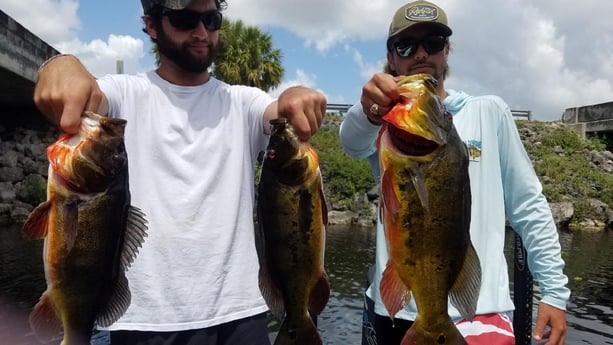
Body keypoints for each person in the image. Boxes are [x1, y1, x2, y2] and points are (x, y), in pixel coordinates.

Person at [33, 0, 326, 344]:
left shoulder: (242, 102)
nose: (201, 32)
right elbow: (88, 93)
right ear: (152, 25)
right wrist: (60, 65)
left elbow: (277, 112)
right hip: (145, 321)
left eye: (211, 19)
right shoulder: (124, 93)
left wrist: (294, 97)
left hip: (240, 312)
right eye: (185, 19)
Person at [339, 1, 570, 345]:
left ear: (447, 50)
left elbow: (528, 205)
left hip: (479, 311)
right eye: (406, 46)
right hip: (394, 311)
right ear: (392, 57)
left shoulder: (489, 111)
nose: (420, 54)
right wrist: (370, 111)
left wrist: (553, 290)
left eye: (432, 43)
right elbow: (350, 141)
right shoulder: (385, 125)